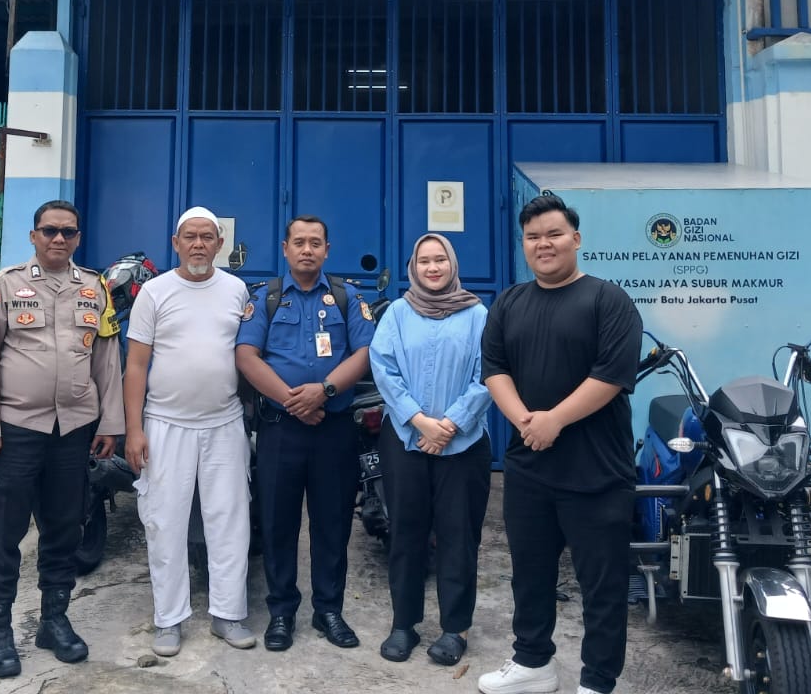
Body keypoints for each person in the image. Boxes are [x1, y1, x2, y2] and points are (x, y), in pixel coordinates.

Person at [478, 193, 643, 694]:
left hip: (597, 471)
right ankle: (533, 663)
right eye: (532, 237)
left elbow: (612, 375)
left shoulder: (607, 300)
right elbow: (494, 368)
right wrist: (526, 420)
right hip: (529, 468)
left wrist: (556, 419)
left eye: (553, 234)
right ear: (523, 245)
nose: (543, 244)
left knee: (602, 585)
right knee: (529, 574)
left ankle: (597, 680)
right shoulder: (509, 302)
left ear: (576, 238)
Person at [0, 199, 124, 679]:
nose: (59, 238)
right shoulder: (5, 285)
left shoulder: (95, 288)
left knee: (64, 529)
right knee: (3, 531)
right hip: (16, 429)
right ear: (33, 235)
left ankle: (54, 620)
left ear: (78, 238)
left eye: (68, 232)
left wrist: (110, 423)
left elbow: (107, 359)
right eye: (50, 230)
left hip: (73, 430)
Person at [235, 214, 376, 651]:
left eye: (316, 242)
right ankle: (281, 612)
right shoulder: (267, 297)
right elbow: (246, 355)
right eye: (299, 242)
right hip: (281, 429)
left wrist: (325, 391)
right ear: (285, 248)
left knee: (332, 522)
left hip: (333, 428)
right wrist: (293, 401)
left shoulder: (347, 297)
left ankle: (329, 610)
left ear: (327, 250)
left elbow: (366, 351)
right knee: (278, 522)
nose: (307, 249)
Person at [123, 207, 258, 657]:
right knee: (164, 522)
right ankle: (169, 619)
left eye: (206, 237)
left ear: (219, 244)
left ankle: (228, 614)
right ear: (175, 243)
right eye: (190, 237)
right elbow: (135, 366)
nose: (198, 244)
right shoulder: (155, 293)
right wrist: (134, 429)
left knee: (230, 521)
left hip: (224, 423)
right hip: (165, 423)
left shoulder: (236, 290)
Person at [368, 232, 491, 666]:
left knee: (459, 535)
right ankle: (404, 623)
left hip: (464, 443)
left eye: (440, 260)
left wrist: (451, 424)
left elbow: (488, 374)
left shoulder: (477, 315)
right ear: (413, 268)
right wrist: (420, 421)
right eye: (424, 261)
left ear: (452, 264)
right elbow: (383, 368)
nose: (433, 268)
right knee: (406, 531)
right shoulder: (398, 314)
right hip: (406, 439)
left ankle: (455, 628)